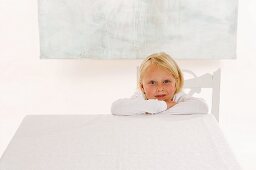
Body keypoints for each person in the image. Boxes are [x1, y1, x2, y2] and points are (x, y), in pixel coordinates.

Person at [111, 52, 208, 116]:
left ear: (176, 83)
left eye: (166, 81)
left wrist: (154, 110)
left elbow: (202, 106)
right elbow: (116, 108)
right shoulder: (140, 97)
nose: (160, 88)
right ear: (142, 87)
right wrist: (164, 105)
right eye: (152, 82)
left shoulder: (178, 97)